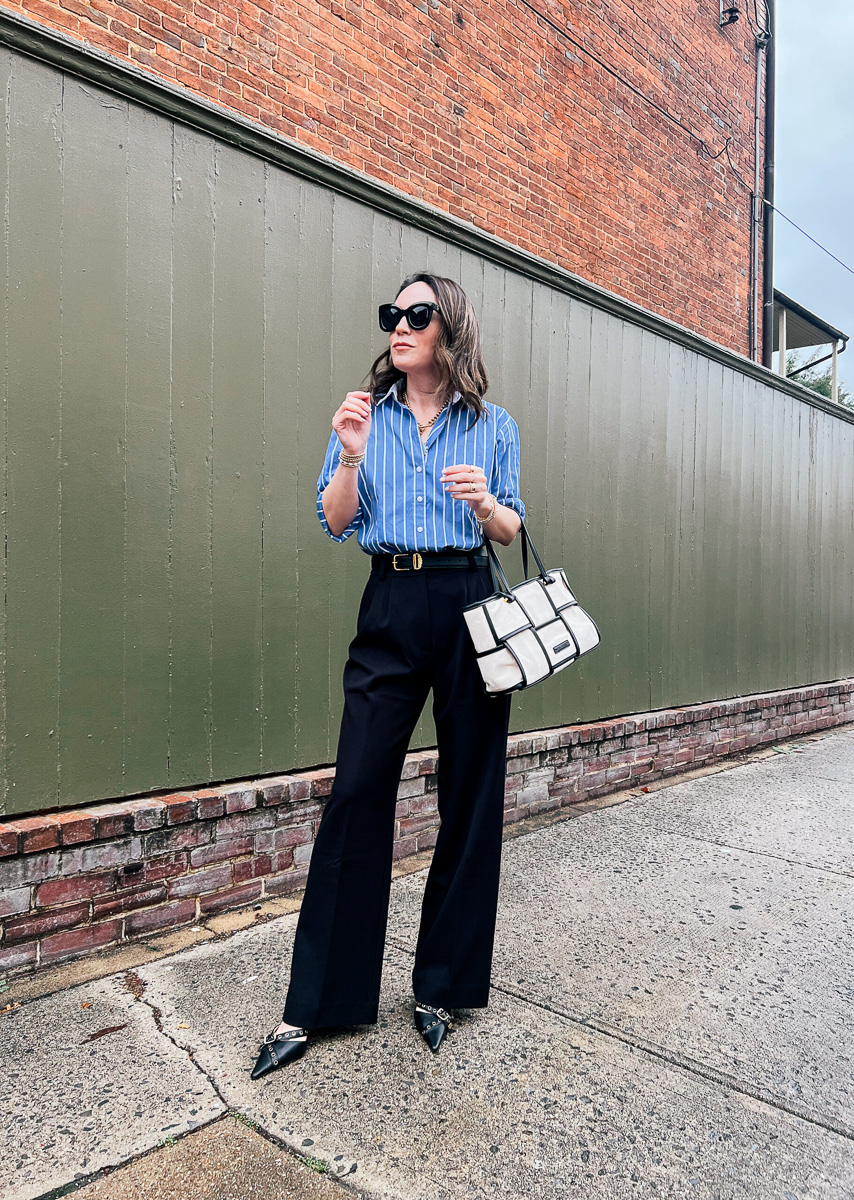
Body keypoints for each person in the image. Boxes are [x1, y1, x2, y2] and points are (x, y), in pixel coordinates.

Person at [251, 271, 525, 1079]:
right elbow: (335, 520)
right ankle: (319, 1002)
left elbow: (512, 528)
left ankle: (442, 987)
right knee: (358, 790)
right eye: (392, 315)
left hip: (471, 601)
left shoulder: (493, 425)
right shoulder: (364, 417)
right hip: (392, 602)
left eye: (417, 313)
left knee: (471, 793)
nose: (399, 326)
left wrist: (485, 506)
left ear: (450, 327)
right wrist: (348, 456)